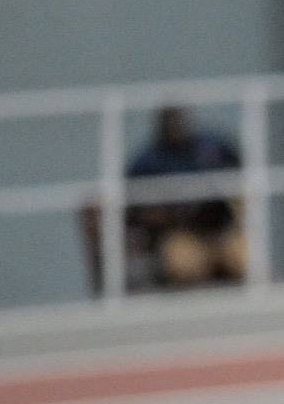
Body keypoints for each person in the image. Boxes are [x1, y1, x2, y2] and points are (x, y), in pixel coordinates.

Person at [78, 105, 245, 293]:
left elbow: (241, 175)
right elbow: (133, 211)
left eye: (179, 122)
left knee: (242, 257)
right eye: (170, 124)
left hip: (222, 229)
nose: (176, 128)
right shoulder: (147, 162)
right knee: (185, 264)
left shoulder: (214, 147)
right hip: (180, 233)